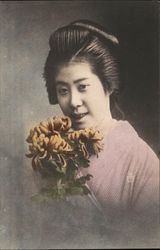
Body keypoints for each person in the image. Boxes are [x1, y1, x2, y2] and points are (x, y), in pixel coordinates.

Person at [43, 19, 159, 246]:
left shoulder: (142, 161)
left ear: (108, 84)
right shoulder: (52, 152)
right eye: (63, 90)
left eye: (83, 86)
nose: (74, 102)